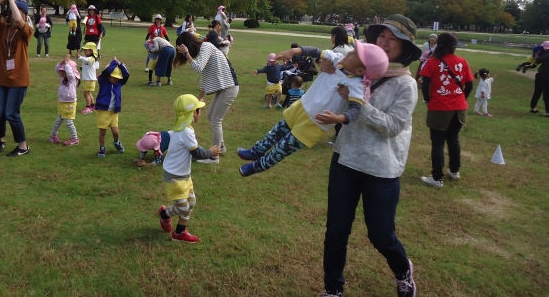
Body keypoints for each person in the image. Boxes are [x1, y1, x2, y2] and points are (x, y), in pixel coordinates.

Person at [314, 14, 421, 297]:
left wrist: (359, 103)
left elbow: (394, 127)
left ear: (404, 48)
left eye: (393, 40)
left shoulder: (406, 85)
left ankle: (403, 271)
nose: (384, 43)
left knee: (381, 235)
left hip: (381, 168)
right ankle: (333, 290)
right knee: (336, 230)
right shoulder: (359, 66)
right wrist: (324, 66)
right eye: (382, 37)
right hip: (346, 158)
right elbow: (332, 70)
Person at [238, 42, 389, 177]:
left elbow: (355, 109)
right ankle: (257, 150)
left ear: (361, 70)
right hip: (302, 106)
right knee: (276, 131)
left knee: (284, 147)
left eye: (355, 54)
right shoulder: (337, 60)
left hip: (315, 122)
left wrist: (338, 119)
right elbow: (315, 51)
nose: (349, 52)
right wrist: (294, 52)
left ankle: (258, 166)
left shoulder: (357, 86)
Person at [156, 94, 221, 243]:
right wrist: (211, 152)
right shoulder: (185, 131)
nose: (201, 113)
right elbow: (197, 153)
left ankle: (180, 232)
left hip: (184, 174)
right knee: (183, 207)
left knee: (190, 202)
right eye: (199, 110)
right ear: (193, 113)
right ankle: (164, 214)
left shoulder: (184, 128)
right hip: (174, 176)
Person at [174, 32, 239, 164]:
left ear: (188, 45)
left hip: (229, 88)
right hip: (224, 88)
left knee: (215, 120)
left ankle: (214, 157)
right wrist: (200, 99)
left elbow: (198, 68)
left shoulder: (206, 46)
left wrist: (187, 54)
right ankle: (221, 147)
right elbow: (206, 77)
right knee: (210, 117)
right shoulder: (205, 50)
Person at [0, 0, 34, 157]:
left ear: (24, 15)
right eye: (14, 11)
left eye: (20, 12)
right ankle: (0, 140)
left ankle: (23, 146)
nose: (15, 15)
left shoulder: (26, 31)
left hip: (18, 79)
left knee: (11, 113)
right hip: (2, 77)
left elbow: (20, 21)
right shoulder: (3, 27)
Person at [420, 32, 474, 188]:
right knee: (453, 138)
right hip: (459, 107)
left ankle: (437, 178)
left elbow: (425, 84)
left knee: (437, 142)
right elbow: (469, 84)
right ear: (452, 48)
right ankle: (454, 171)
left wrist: (427, 100)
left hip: (440, 106)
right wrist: (462, 98)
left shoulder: (432, 62)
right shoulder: (462, 62)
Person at [94, 58, 129, 157]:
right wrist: (113, 63)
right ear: (109, 76)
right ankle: (102, 148)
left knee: (115, 132)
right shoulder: (104, 81)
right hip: (103, 111)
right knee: (103, 132)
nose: (116, 79)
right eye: (114, 77)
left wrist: (120, 64)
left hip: (114, 112)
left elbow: (126, 75)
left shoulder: (119, 84)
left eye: (118, 77)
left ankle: (116, 142)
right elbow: (105, 72)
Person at [48, 54, 81, 146]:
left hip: (69, 103)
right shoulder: (63, 77)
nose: (62, 72)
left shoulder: (72, 79)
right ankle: (53, 136)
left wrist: (67, 64)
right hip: (62, 102)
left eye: (64, 71)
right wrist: (62, 63)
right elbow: (56, 69)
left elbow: (70, 74)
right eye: (61, 71)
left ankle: (74, 138)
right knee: (59, 120)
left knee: (69, 122)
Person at [78, 42, 99, 114]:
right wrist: (79, 55)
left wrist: (79, 56)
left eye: (86, 50)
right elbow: (81, 60)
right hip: (88, 79)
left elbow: (85, 60)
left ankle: (88, 107)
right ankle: (93, 105)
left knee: (86, 94)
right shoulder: (87, 58)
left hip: (89, 80)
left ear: (91, 51)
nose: (85, 52)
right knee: (88, 93)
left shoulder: (91, 59)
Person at [530, 41, 549, 115]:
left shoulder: (546, 55)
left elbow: (537, 61)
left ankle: (532, 108)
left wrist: (537, 54)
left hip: (541, 76)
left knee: (537, 93)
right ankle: (548, 112)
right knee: (547, 95)